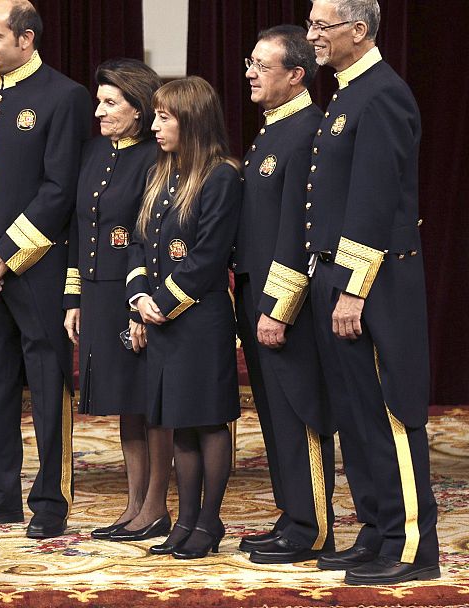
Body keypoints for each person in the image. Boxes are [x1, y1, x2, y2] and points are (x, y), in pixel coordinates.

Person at [0, 0, 91, 539]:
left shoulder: (65, 96)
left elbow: (59, 190)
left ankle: (50, 503)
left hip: (37, 266)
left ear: (26, 39)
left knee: (49, 385)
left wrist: (2, 255)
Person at [304, 0, 439, 584]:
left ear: (358, 30)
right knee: (357, 415)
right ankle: (378, 529)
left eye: (320, 26)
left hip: (375, 282)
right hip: (342, 275)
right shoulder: (349, 91)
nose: (312, 36)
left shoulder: (381, 92)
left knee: (390, 411)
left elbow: (374, 200)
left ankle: (412, 548)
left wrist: (354, 289)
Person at [232, 25, 335, 564]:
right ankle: (294, 513)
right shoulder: (272, 130)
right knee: (274, 413)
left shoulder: (307, 131)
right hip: (254, 295)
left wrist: (278, 307)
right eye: (250, 62)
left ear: (296, 75)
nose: (249, 72)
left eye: (262, 65)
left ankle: (314, 525)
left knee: (300, 409)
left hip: (281, 302)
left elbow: (299, 232)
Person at [127, 76, 241, 559]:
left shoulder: (222, 175)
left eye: (164, 116)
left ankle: (209, 522)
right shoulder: (162, 173)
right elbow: (138, 242)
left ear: (191, 120)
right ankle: (187, 519)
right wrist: (138, 297)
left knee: (208, 422)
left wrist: (162, 303)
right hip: (163, 319)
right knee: (179, 423)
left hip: (200, 320)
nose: (154, 126)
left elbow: (209, 256)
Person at [62, 59, 173, 543]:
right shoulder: (92, 151)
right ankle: (133, 506)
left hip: (137, 292)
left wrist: (143, 302)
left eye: (110, 103)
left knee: (150, 402)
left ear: (138, 108)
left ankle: (156, 507)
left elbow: (153, 235)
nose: (99, 111)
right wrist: (74, 296)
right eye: (99, 100)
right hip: (97, 292)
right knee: (126, 403)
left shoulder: (156, 156)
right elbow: (78, 229)